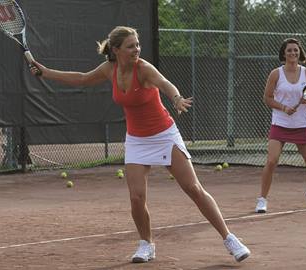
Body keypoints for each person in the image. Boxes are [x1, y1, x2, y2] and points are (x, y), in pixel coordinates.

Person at [29, 26, 250, 263]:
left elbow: (165, 83)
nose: (136, 49)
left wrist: (175, 98)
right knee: (136, 197)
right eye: (131, 46)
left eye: (138, 45)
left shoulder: (143, 69)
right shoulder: (109, 69)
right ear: (116, 50)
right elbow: (82, 79)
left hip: (164, 135)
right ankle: (147, 244)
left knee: (193, 188)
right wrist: (46, 73)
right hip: (136, 140)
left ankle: (229, 238)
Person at [255, 38, 306, 213]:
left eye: (295, 50)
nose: (293, 53)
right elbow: (267, 98)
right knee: (271, 161)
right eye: (289, 51)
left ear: (299, 52)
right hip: (280, 124)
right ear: (284, 53)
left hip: (301, 125)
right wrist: (283, 107)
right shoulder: (276, 74)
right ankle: (262, 199)